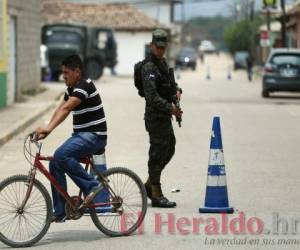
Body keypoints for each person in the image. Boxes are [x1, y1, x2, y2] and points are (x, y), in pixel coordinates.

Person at [34, 54, 107, 222]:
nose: (63, 76)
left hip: (95, 136)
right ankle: (61, 211)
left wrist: (49, 128)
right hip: (81, 136)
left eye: (66, 72)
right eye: (63, 72)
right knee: (55, 162)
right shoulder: (71, 89)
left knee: (61, 155)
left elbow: (67, 108)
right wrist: (47, 129)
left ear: (77, 71)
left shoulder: (84, 85)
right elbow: (60, 108)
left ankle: (92, 186)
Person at [141, 29, 183, 208]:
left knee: (170, 149)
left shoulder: (162, 63)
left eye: (163, 47)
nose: (160, 50)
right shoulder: (149, 66)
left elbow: (168, 84)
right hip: (155, 117)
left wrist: (177, 91)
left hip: (165, 116)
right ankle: (156, 193)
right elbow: (151, 96)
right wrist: (171, 109)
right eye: (157, 47)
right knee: (157, 154)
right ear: (151, 45)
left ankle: (148, 185)